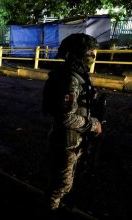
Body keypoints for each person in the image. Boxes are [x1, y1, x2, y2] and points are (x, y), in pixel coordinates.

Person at [42, 33, 103, 214]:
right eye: (90, 51)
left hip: (73, 139)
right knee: (61, 186)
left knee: (65, 184)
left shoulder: (77, 75)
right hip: (66, 141)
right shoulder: (71, 79)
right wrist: (93, 124)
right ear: (79, 53)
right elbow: (65, 116)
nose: (93, 55)